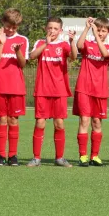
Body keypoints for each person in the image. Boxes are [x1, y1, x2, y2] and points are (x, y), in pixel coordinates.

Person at [27, 17, 77, 167]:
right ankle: (36, 158)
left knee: (59, 124)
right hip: (42, 90)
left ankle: (59, 158)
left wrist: (72, 41)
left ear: (60, 30)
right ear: (45, 28)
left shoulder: (63, 45)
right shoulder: (40, 43)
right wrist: (46, 44)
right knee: (40, 123)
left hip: (59, 90)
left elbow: (74, 57)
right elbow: (32, 56)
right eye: (50, 28)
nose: (52, 31)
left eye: (56, 28)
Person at [0, 9, 28, 166]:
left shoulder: (23, 40)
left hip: (16, 87)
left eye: (14, 27)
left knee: (13, 120)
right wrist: (2, 43)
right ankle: (0, 155)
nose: (11, 29)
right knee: (2, 119)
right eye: (8, 26)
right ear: (3, 23)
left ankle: (13, 155)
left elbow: (23, 64)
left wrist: (18, 52)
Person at [74, 17, 109, 167]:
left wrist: (96, 36)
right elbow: (79, 45)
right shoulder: (88, 44)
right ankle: (83, 156)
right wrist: (86, 29)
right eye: (98, 29)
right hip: (84, 88)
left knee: (97, 122)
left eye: (104, 30)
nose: (101, 32)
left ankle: (95, 156)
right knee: (84, 120)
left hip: (100, 90)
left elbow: (105, 54)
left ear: (108, 32)